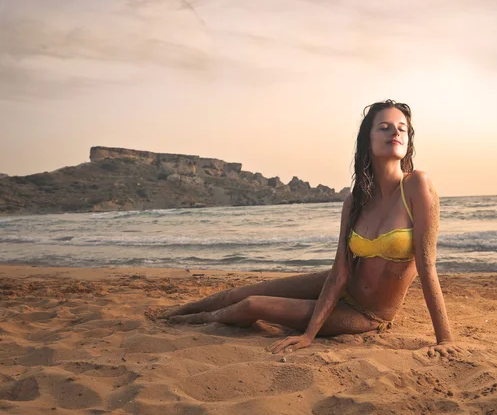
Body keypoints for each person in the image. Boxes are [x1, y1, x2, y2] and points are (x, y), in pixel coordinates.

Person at [161, 100, 460, 357]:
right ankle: (178, 311)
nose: (394, 131)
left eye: (401, 128)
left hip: (366, 314)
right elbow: (340, 271)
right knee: (243, 292)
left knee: (252, 304)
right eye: (384, 126)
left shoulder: (417, 186)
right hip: (342, 286)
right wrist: (311, 333)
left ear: (408, 140)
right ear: (367, 139)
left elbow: (426, 265)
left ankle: (196, 319)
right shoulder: (355, 201)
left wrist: (445, 338)